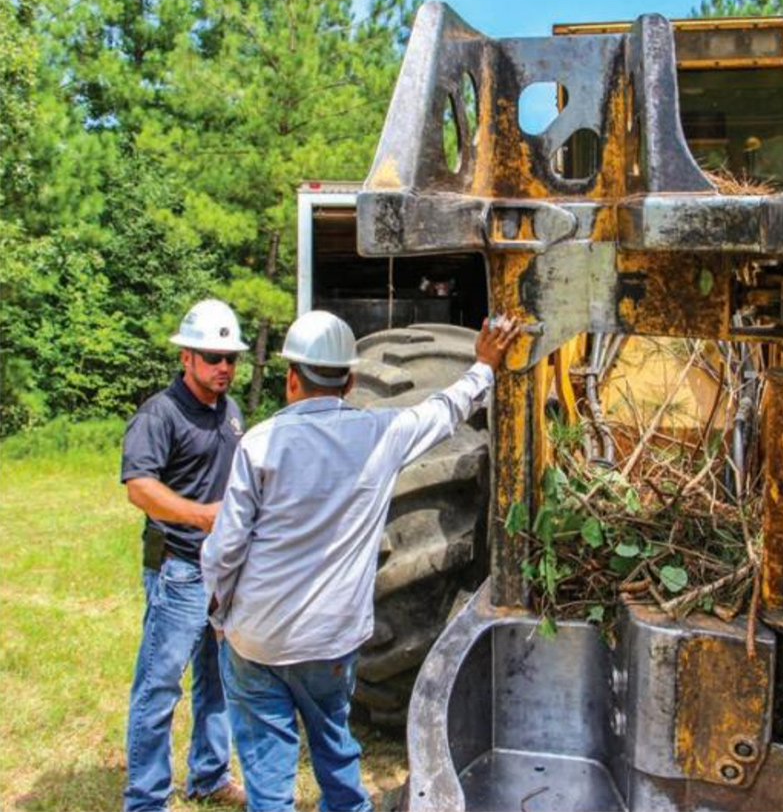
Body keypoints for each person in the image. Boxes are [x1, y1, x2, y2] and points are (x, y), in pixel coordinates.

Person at [202, 309, 520, 812]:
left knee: (267, 767)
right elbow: (447, 409)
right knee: (334, 745)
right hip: (331, 641)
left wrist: (220, 617)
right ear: (350, 380)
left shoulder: (258, 444)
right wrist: (484, 364)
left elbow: (224, 549)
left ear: (290, 378)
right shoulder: (382, 433)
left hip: (256, 637)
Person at [121, 299, 249, 812]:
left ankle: (210, 775)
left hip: (222, 573)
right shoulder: (161, 414)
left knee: (219, 681)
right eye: (212, 357)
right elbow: (139, 487)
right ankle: (146, 798)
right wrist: (200, 516)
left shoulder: (231, 412)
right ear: (186, 358)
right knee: (159, 687)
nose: (223, 367)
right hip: (178, 570)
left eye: (230, 358)